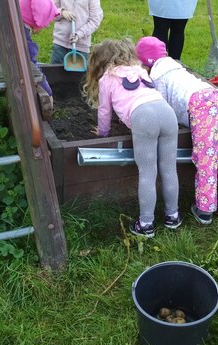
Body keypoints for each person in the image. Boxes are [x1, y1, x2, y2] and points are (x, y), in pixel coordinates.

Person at [136, 36, 218, 225]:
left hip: (203, 105)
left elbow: (161, 107)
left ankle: (205, 209)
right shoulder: (175, 67)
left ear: (144, 63)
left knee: (206, 157)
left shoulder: (157, 77)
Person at [83, 38, 182, 237]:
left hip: (143, 118)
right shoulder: (140, 70)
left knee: (147, 173)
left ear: (101, 62)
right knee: (169, 169)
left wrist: (103, 133)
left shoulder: (107, 78)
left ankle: (146, 224)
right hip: (167, 113)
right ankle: (173, 216)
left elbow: (104, 112)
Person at [50, 0, 103, 64]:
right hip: (60, 45)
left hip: (81, 47)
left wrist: (79, 34)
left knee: (79, 74)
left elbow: (95, 20)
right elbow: (51, 11)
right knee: (55, 72)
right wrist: (61, 12)